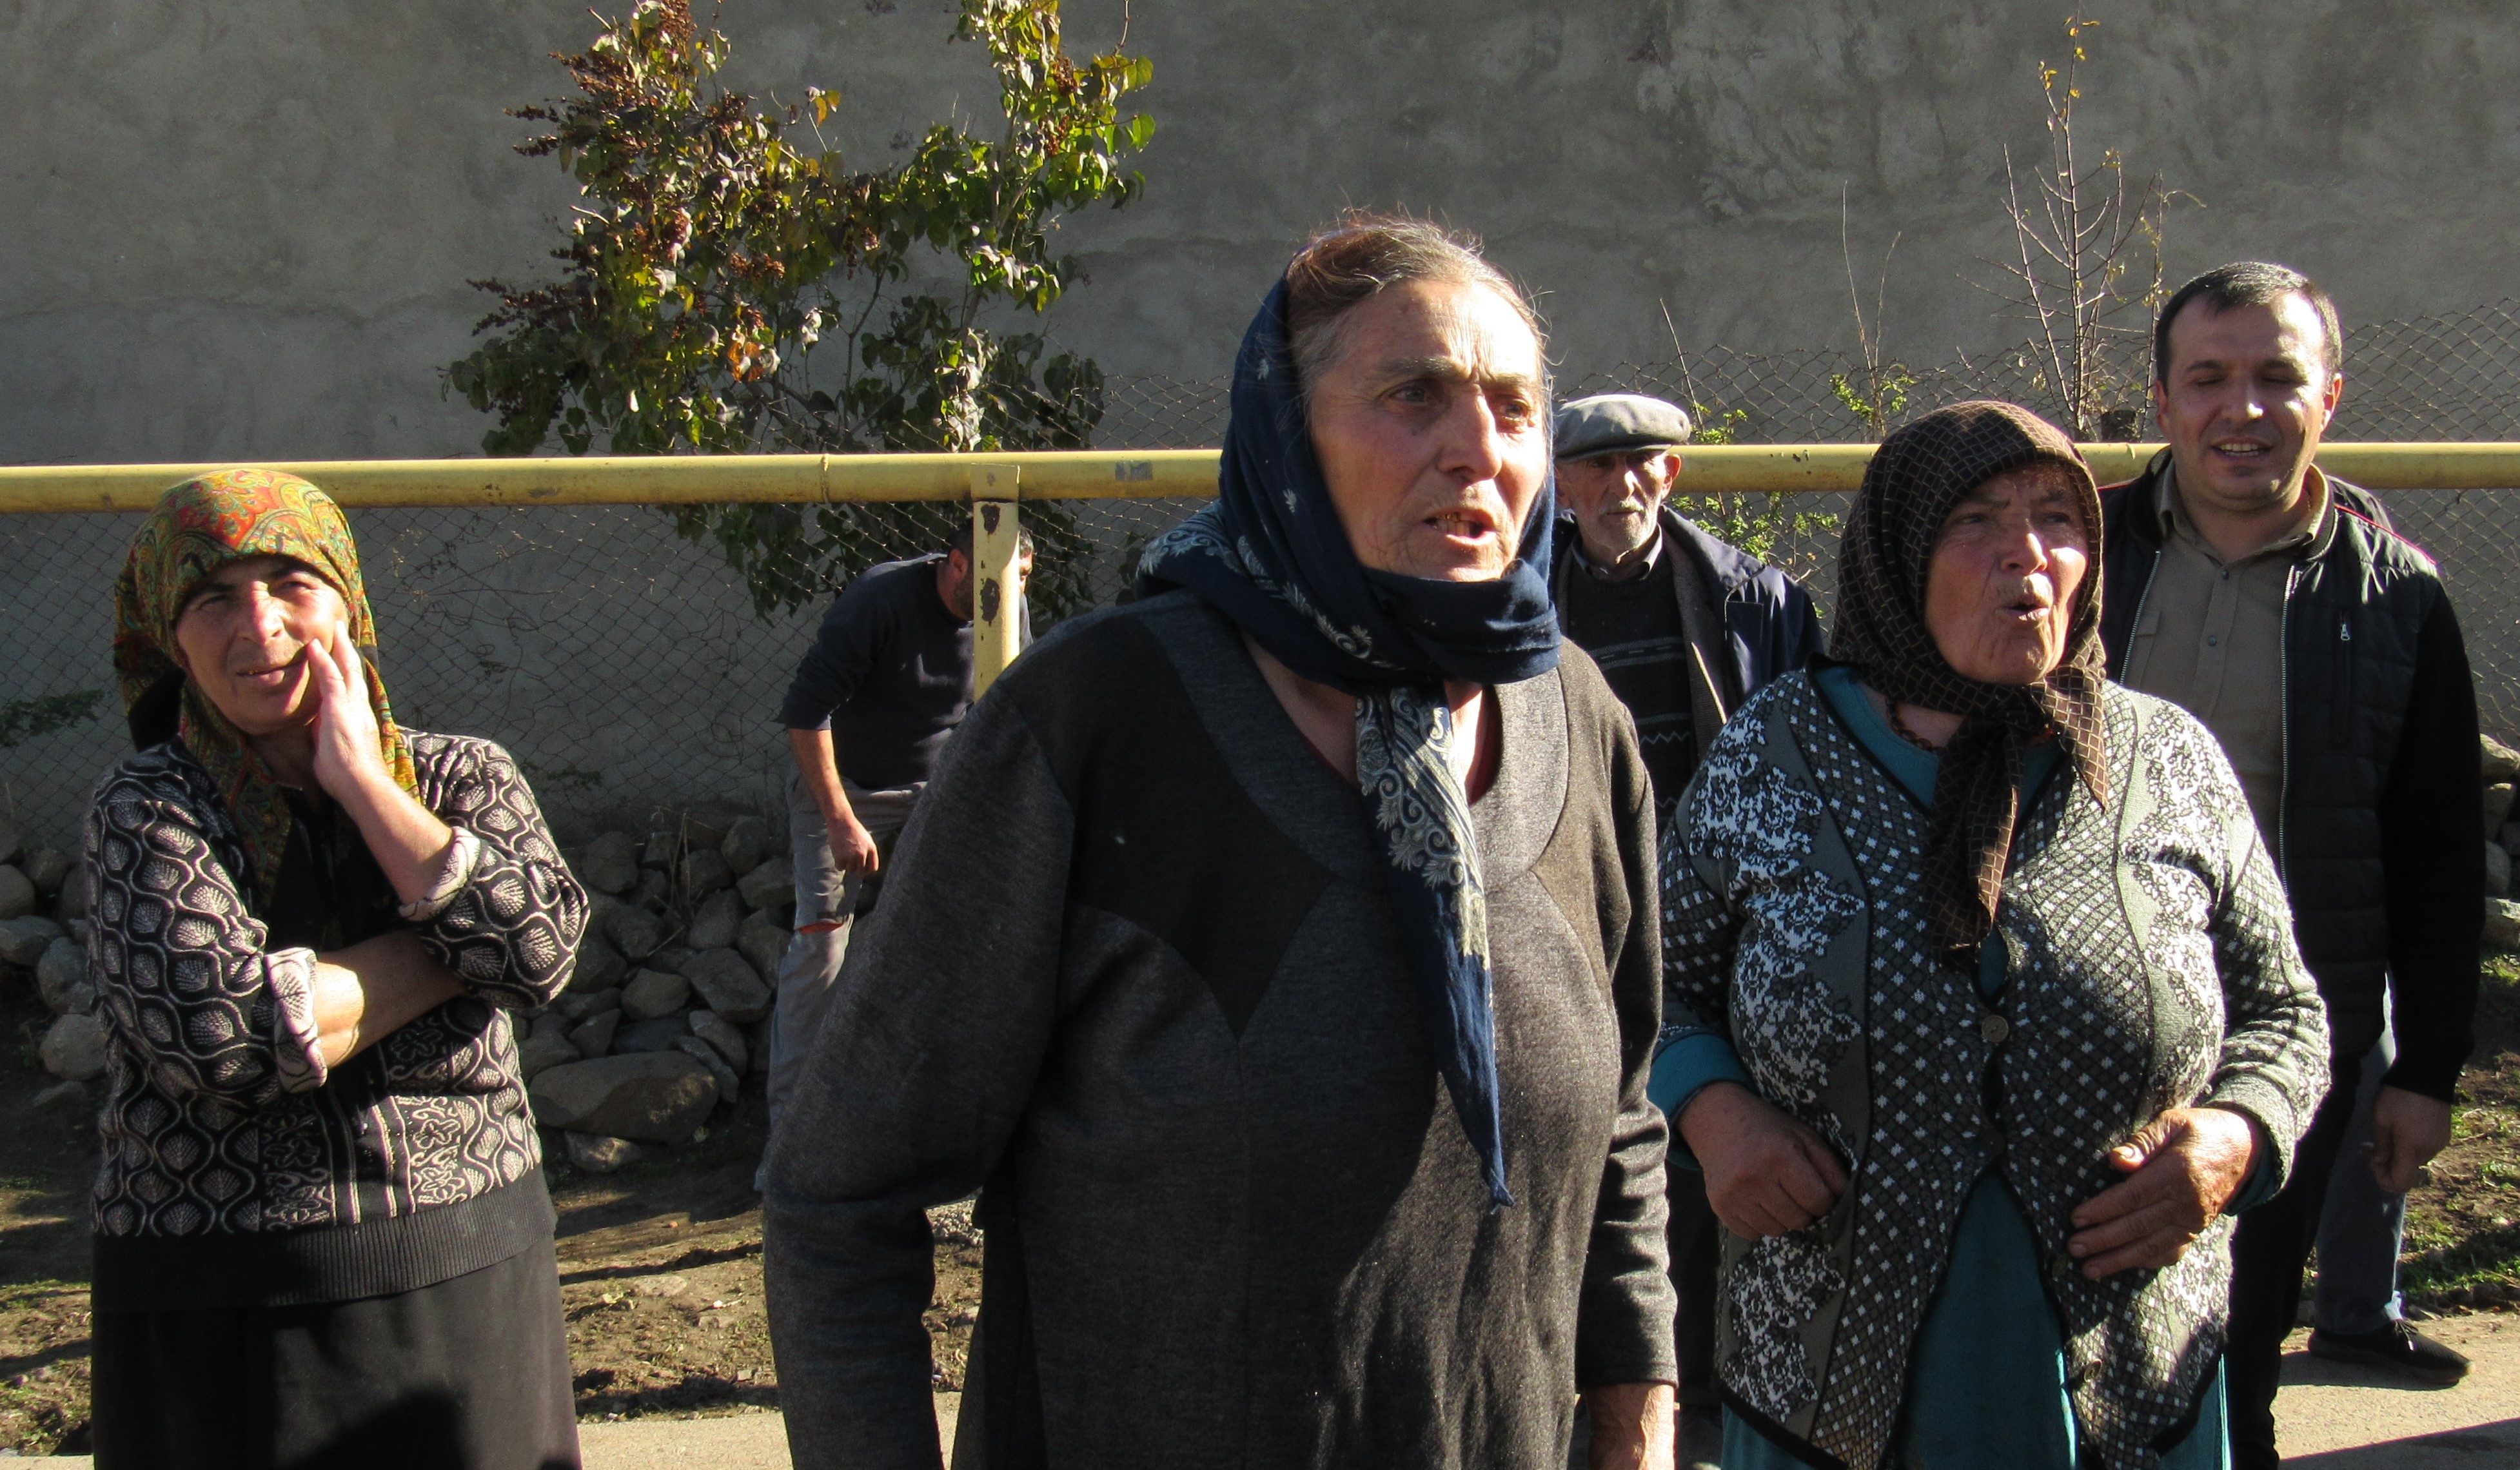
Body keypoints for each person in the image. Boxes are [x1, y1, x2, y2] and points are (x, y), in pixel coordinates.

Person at [763, 215, 1677, 1470]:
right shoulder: (1097, 723)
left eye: (1516, 407)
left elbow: (1620, 1122)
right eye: (1413, 394)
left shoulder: (1577, 720)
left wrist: (1636, 1414)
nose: (1477, 447)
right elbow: (839, 1189)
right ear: (1285, 435)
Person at [1660, 402, 2330, 1470]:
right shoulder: (1772, 754)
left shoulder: (2167, 760)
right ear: (1897, 555)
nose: (2027, 554)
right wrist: (1714, 1115)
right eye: (1975, 520)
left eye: (2058, 517)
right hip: (1827, 1382)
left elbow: (2285, 1014)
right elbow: (1652, 988)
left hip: (2133, 1374)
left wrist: (2237, 1139)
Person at [83, 469, 587, 1469]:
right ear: (169, 635)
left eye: (291, 586)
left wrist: (364, 785)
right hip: (225, 1303)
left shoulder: (463, 774)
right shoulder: (147, 808)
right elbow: (224, 1038)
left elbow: (538, 952)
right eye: (213, 598)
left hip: (466, 1270)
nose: (259, 626)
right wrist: (448, 948)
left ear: (348, 605)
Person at [2099, 263, 2483, 1462]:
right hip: (2076, 1024)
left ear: (2330, 398)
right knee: (2063, 1354)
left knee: (2236, 1359)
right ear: (2163, 400)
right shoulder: (2073, 554)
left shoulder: (2397, 600)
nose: (2243, 408)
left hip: (2281, 1049)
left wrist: (2425, 1071)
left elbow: (2435, 852)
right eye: (2209, 377)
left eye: (2276, 377)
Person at [1549, 391, 1819, 1469]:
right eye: (1598, 467)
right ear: (1560, 484)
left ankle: (1694, 1389)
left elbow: (1810, 750)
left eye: (1645, 465)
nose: (1623, 486)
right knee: (1578, 1134)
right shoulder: (1516, 597)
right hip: (1570, 905)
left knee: (1702, 1134)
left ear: (1672, 475)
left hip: (1714, 915)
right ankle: (1581, 1377)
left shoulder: (1753, 599)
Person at [766, 523, 1031, 1141]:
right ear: (959, 563)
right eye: (1005, 578)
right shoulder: (878, 601)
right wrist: (841, 820)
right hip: (846, 788)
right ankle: (792, 1139)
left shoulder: (1007, 606)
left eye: (1023, 580)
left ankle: (949, 1123)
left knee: (977, 931)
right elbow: (806, 712)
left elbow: (1013, 712)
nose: (1016, 593)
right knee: (821, 943)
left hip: (938, 789)